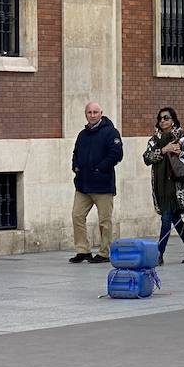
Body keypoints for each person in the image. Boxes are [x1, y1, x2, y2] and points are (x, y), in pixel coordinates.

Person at [142, 107, 184, 264]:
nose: (162, 121)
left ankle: (159, 254)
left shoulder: (182, 138)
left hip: (175, 186)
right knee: (175, 218)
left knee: (166, 218)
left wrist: (179, 152)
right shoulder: (155, 139)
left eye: (166, 118)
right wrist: (163, 150)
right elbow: (147, 158)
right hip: (160, 186)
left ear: (173, 120)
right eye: (160, 118)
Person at [70, 102, 123, 263]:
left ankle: (104, 253)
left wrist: (100, 169)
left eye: (95, 112)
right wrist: (75, 167)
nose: (92, 115)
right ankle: (83, 250)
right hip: (83, 185)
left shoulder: (111, 132)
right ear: (86, 114)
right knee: (77, 215)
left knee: (104, 221)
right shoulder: (82, 134)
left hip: (103, 185)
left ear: (101, 113)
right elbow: (75, 153)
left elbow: (116, 154)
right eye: (89, 112)